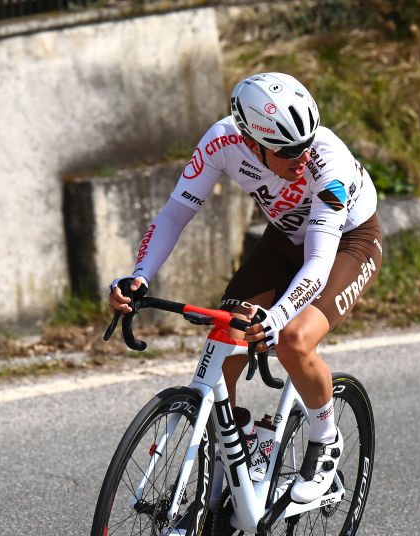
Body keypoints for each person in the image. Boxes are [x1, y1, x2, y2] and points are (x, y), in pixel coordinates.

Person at [109, 72, 382, 504]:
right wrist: (138, 276)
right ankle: (237, 448)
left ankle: (325, 437)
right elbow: (174, 216)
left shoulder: (327, 162)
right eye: (288, 150)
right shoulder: (222, 141)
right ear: (251, 143)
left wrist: (276, 318)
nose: (302, 156)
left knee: (293, 340)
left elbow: (317, 262)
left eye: (306, 142)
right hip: (283, 239)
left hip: (348, 243)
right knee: (226, 334)